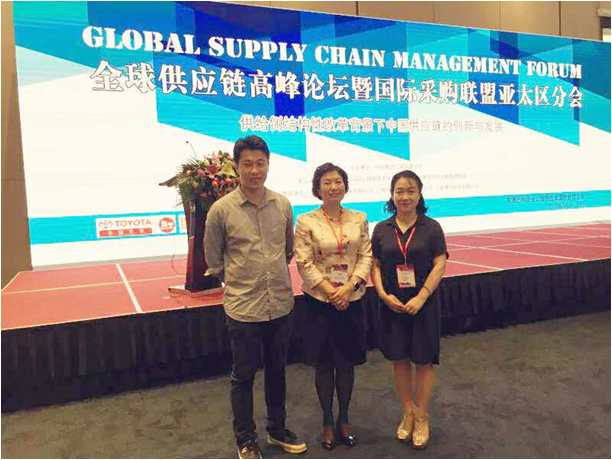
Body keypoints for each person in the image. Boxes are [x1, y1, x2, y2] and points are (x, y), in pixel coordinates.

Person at [204, 135, 307, 459]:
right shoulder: (221, 210)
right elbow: (214, 260)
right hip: (243, 308)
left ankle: (277, 430)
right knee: (243, 376)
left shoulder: (283, 204)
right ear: (236, 166)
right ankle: (246, 439)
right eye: (247, 164)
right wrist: (241, 281)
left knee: (277, 371)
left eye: (260, 163)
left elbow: (287, 251)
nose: (254, 170)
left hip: (280, 303)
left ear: (268, 165)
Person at [294, 163, 372, 451]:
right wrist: (331, 291)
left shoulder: (359, 218)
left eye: (338, 181)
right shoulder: (306, 221)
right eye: (326, 182)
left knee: (346, 363)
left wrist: (348, 289)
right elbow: (304, 262)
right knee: (324, 364)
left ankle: (344, 419)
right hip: (319, 303)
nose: (333, 187)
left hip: (351, 300)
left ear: (345, 185)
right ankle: (328, 421)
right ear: (318, 188)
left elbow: (366, 256)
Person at [370, 170, 448, 450]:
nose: (405, 196)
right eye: (399, 191)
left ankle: (422, 416)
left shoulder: (432, 228)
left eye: (411, 190)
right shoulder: (382, 229)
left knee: (424, 361)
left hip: (423, 306)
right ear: (392, 195)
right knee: (399, 360)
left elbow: (440, 263)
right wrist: (382, 294)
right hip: (392, 304)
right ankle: (408, 411)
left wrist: (422, 296)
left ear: (419, 194)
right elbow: (375, 264)